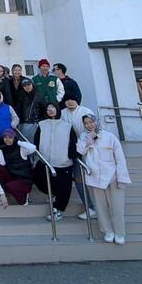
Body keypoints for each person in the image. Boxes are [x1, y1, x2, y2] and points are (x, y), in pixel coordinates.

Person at [77, 114, 131, 244]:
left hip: (113, 176)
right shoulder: (83, 137)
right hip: (94, 177)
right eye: (86, 123)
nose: (89, 125)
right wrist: (89, 140)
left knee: (117, 207)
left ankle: (119, 232)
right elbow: (80, 151)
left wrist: (121, 177)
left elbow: (120, 158)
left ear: (96, 122)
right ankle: (108, 231)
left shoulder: (109, 136)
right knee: (100, 207)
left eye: (91, 122)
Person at [32, 103, 77, 221]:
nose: (50, 110)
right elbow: (36, 140)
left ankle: (58, 209)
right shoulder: (42, 124)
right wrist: (38, 156)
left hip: (63, 162)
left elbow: (72, 142)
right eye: (48, 109)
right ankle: (53, 195)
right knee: (39, 178)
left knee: (64, 187)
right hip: (45, 161)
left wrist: (70, 156)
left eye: (53, 108)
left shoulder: (67, 126)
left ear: (57, 109)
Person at [61, 94, 96, 220]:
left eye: (72, 99)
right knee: (78, 179)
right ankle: (90, 207)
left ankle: (95, 207)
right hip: (71, 150)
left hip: (89, 149)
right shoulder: (62, 113)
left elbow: (94, 129)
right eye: (67, 100)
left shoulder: (86, 111)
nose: (70, 102)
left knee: (91, 178)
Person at [0, 129, 35, 205]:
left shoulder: (21, 148)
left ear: (14, 138)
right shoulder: (2, 149)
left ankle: (25, 197)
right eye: (5, 137)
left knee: (9, 187)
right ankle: (1, 195)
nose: (7, 140)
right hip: (13, 176)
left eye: (10, 137)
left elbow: (33, 148)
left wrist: (18, 142)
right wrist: (0, 151)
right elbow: (1, 164)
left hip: (25, 180)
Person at [16, 78, 46, 142]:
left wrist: (39, 122)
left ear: (32, 84)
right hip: (22, 125)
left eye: (28, 84)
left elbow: (44, 111)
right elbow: (18, 110)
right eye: (24, 85)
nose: (27, 87)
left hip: (35, 124)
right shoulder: (20, 96)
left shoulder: (39, 96)